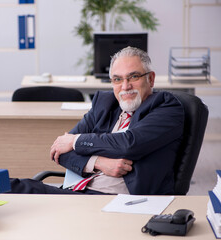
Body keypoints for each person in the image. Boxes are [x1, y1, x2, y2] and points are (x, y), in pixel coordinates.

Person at [10, 46, 184, 195]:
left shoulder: (167, 107)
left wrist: (76, 141)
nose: (125, 86)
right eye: (117, 79)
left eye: (133, 77)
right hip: (76, 192)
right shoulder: (105, 104)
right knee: (5, 185)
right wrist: (99, 163)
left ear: (151, 78)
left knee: (18, 193)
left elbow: (129, 143)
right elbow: (60, 152)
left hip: (119, 201)